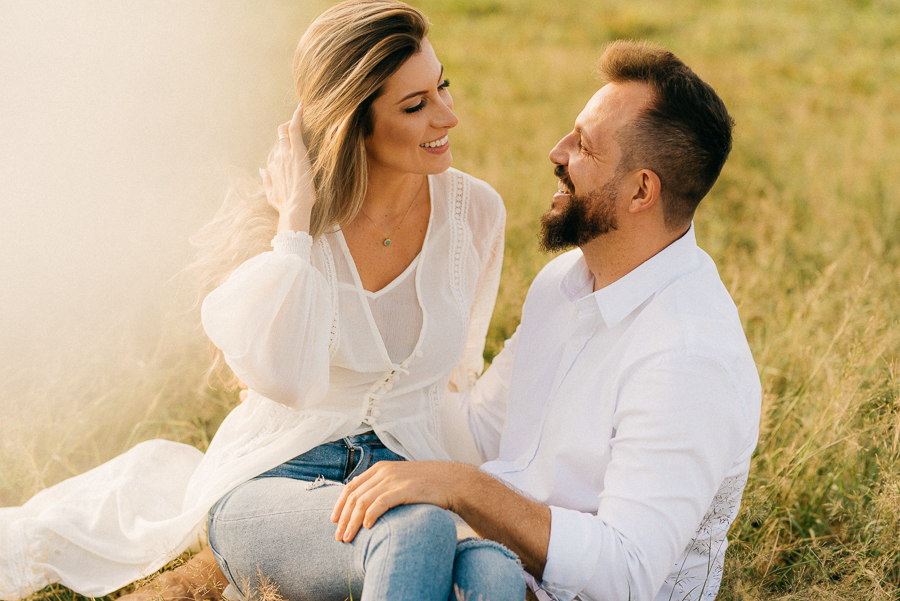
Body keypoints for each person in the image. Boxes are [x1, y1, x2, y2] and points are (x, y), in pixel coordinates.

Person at [0, 2, 523, 601]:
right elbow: (284, 380)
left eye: (441, 87)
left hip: (411, 474)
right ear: (353, 121)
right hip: (281, 478)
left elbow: (455, 376)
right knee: (413, 532)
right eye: (416, 105)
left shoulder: (476, 214)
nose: (448, 116)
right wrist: (295, 227)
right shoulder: (291, 225)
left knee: (494, 572)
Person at [327, 40, 762, 601]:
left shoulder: (689, 356)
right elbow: (477, 432)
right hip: (493, 564)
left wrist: (464, 490)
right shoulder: (563, 285)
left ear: (641, 190)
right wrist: (348, 373)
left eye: (583, 146)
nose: (556, 152)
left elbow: (627, 574)